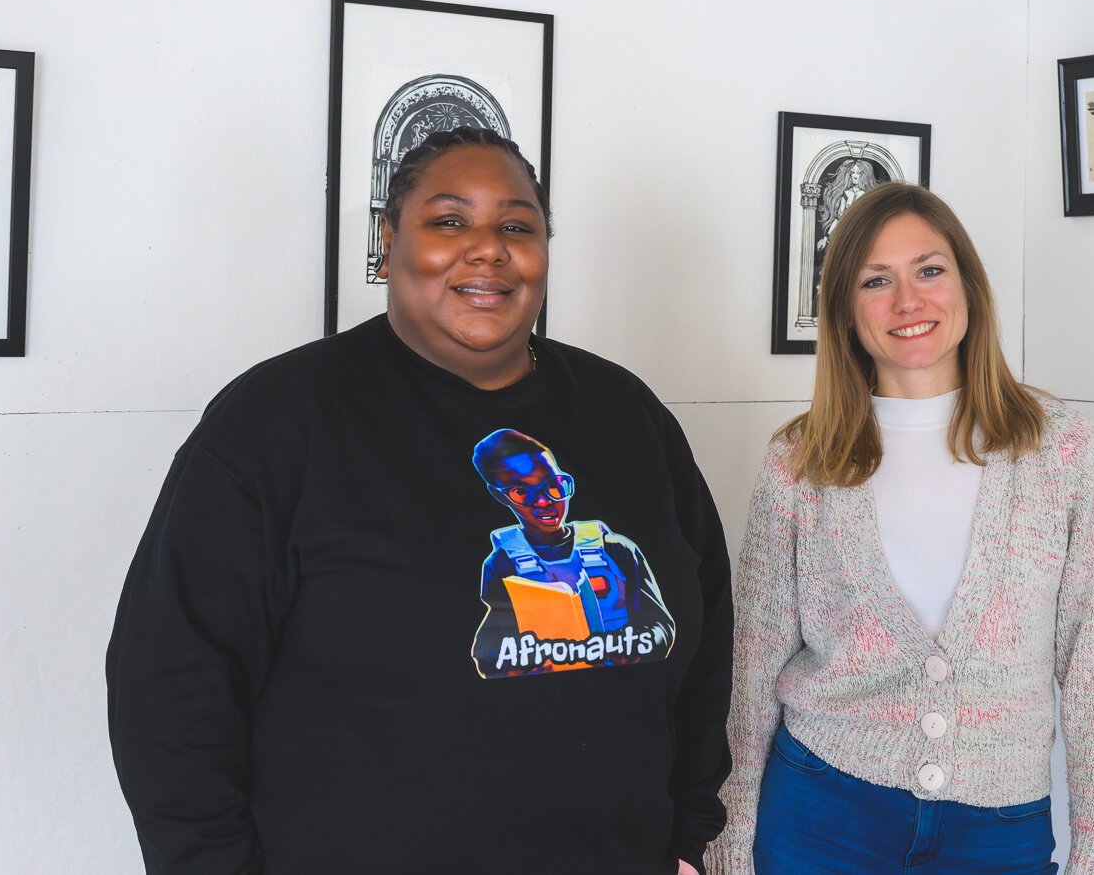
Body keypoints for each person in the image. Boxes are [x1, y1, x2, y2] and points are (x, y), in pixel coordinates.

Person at [108, 126, 732, 875]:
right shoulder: (276, 422)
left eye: (515, 225)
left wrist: (689, 835)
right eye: (448, 221)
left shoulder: (627, 415)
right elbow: (172, 683)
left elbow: (705, 637)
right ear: (389, 238)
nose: (488, 249)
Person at [706, 182, 1094, 875]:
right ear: (846, 309)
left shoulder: (1062, 449)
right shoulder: (799, 461)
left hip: (999, 829)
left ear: (969, 284)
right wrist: (731, 839)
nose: (909, 301)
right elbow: (751, 667)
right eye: (878, 280)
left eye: (929, 270)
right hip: (821, 813)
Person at [469, 427, 676, 678]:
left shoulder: (616, 549)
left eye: (553, 486)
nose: (544, 501)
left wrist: (635, 647)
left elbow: (661, 626)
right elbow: (488, 652)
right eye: (521, 492)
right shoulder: (502, 565)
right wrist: (528, 660)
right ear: (500, 497)